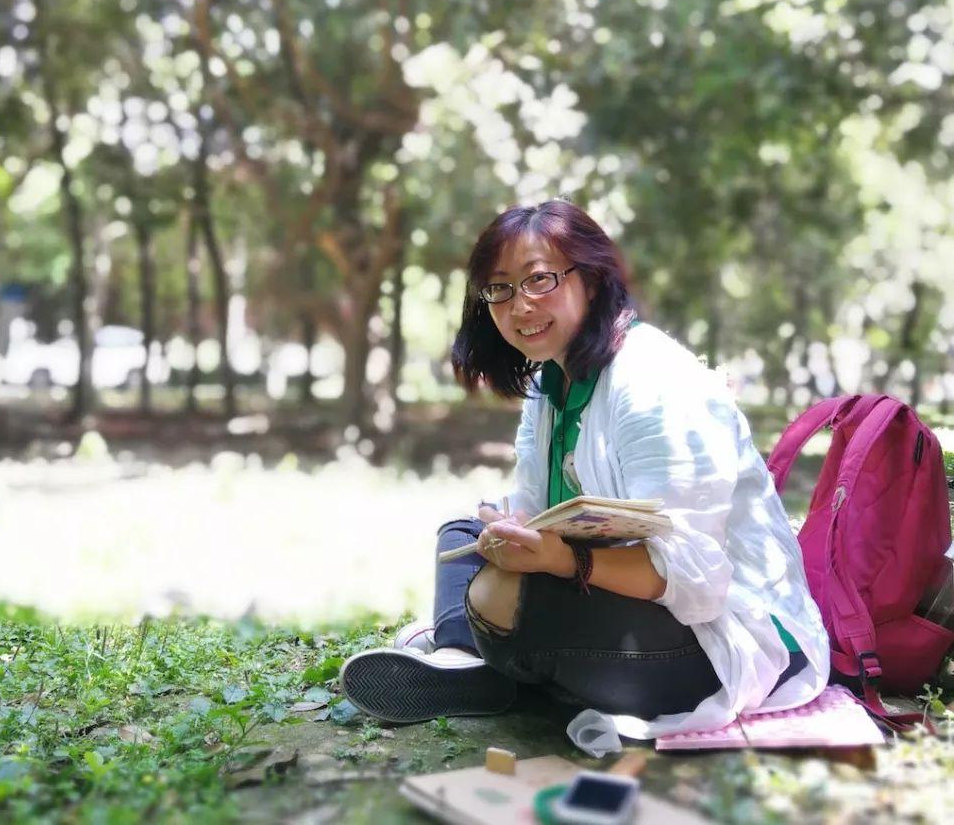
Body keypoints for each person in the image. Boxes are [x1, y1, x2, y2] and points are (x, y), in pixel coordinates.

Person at [339, 200, 829, 741]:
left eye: (539, 279)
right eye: (499, 288)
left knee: (507, 598)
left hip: (720, 636)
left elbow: (697, 579)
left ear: (592, 281)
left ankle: (476, 649)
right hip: (621, 594)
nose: (519, 304)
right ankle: (465, 661)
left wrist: (560, 561)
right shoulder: (549, 385)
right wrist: (513, 538)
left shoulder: (653, 382)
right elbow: (533, 510)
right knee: (463, 534)